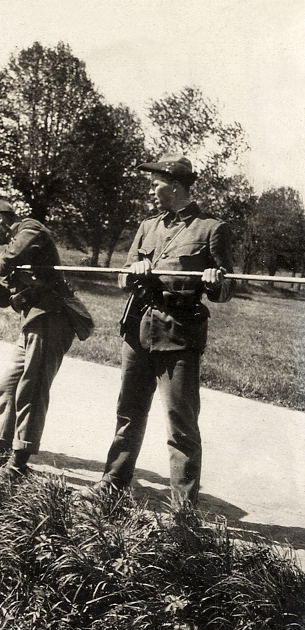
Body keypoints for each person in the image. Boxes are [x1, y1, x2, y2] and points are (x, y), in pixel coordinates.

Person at [90, 153, 236, 507]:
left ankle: (183, 508)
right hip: (139, 331)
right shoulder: (148, 226)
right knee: (129, 413)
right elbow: (123, 276)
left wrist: (215, 281)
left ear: (174, 186)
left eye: (156, 185)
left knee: (180, 424)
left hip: (180, 336)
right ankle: (113, 483)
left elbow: (227, 290)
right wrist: (134, 269)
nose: (152, 191)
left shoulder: (211, 229)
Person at [0, 197, 94, 481]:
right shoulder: (12, 245)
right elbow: (7, 299)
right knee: (8, 386)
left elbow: (7, 262)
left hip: (52, 318)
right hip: (32, 321)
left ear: (0, 219)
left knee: (32, 388)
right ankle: (0, 449)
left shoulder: (30, 229)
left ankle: (18, 464)